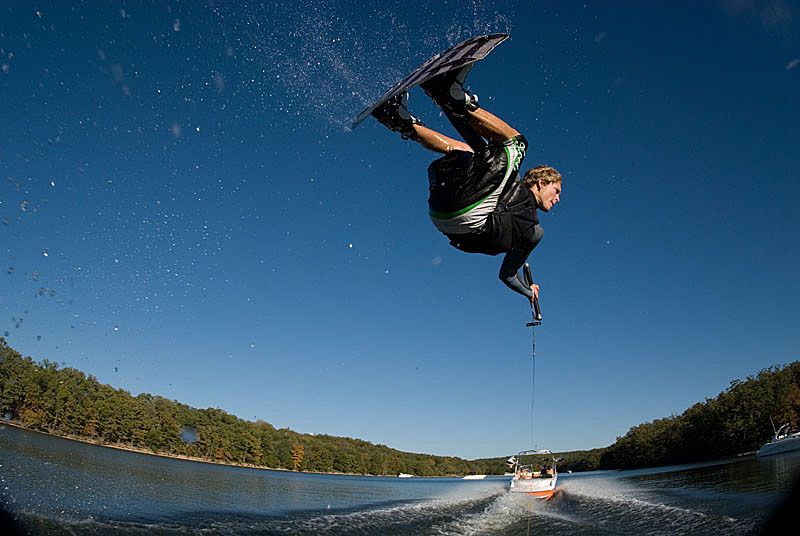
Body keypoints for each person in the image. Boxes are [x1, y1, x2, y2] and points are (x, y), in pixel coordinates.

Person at [371, 64, 562, 302]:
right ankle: (400, 121)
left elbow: (509, 274)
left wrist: (528, 290)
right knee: (468, 151)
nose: (558, 199)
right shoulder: (524, 214)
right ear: (540, 182)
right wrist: (526, 291)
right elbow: (506, 275)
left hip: (463, 212)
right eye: (556, 191)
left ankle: (447, 96)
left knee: (517, 143)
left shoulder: (526, 221)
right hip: (447, 217)